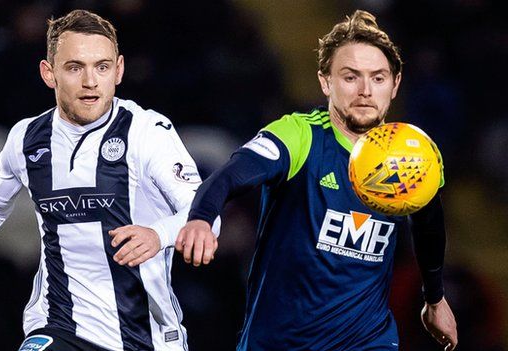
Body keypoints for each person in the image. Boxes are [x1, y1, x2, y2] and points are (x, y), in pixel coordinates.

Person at [0, 10, 218, 351]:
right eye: (74, 67)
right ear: (48, 73)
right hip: (58, 325)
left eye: (102, 66)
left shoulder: (147, 133)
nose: (90, 81)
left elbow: (204, 214)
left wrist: (160, 234)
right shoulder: (27, 139)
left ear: (120, 70)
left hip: (144, 337)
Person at [177, 10, 458, 351]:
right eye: (351, 77)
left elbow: (428, 220)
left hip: (368, 340)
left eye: (379, 78)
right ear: (326, 81)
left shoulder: (412, 153)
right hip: (278, 341)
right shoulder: (299, 134)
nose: (366, 90)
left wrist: (435, 298)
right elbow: (233, 174)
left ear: (395, 85)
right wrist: (201, 218)